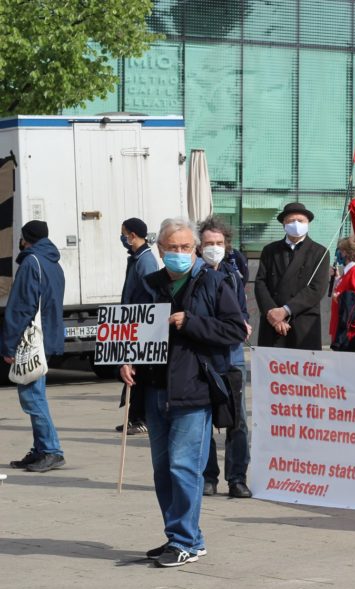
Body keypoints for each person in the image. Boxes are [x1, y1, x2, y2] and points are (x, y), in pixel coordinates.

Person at [120, 218, 246, 567]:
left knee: (183, 467)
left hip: (195, 389)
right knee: (163, 470)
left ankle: (185, 540)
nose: (179, 253)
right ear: (160, 249)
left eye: (186, 247)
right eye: (172, 247)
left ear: (195, 249)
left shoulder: (214, 282)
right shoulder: (150, 284)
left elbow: (235, 329)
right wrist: (126, 360)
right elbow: (130, 327)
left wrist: (190, 322)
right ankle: (180, 535)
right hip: (156, 389)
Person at [197, 216, 253, 499]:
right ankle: (208, 478)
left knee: (238, 420)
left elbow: (241, 313)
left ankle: (237, 478)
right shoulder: (193, 275)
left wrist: (244, 322)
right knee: (204, 420)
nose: (214, 248)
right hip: (201, 359)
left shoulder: (233, 274)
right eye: (209, 243)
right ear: (199, 245)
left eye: (218, 243)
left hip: (231, 357)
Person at [4, 220, 67, 473]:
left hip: (31, 338)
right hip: (48, 335)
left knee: (33, 397)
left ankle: (51, 450)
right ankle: (41, 449)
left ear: (25, 238)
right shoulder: (53, 262)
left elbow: (20, 307)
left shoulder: (31, 262)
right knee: (35, 393)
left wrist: (8, 345)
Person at [254, 202, 331, 350]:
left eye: (300, 221)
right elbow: (260, 283)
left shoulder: (320, 252)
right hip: (273, 324)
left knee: (304, 371)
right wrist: (273, 314)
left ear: (308, 223)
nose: (296, 224)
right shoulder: (270, 250)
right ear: (283, 223)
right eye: (290, 220)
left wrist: (285, 311)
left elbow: (317, 288)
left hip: (303, 324)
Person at [117, 217, 159, 436]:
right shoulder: (136, 259)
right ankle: (133, 416)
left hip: (142, 324)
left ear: (133, 235)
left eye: (124, 233)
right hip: (132, 322)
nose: (122, 238)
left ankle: (140, 418)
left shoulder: (145, 261)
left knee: (140, 373)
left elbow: (152, 295)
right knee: (131, 371)